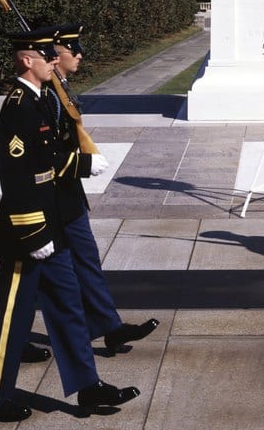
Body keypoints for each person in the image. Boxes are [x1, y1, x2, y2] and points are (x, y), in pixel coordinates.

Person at [0, 28, 139, 422]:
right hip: (26, 232)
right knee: (11, 318)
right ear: (26, 60)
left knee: (67, 307)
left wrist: (77, 167)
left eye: (54, 56)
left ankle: (87, 388)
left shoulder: (42, 100)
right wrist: (34, 233)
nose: (54, 61)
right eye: (46, 57)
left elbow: (51, 156)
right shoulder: (18, 107)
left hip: (55, 222)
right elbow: (17, 176)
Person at [47, 23, 159, 352]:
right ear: (55, 55)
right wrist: (81, 164)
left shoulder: (60, 88)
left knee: (86, 260)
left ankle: (110, 327)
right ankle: (10, 339)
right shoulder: (46, 94)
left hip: (67, 194)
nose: (80, 54)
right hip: (49, 195)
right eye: (73, 49)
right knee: (31, 279)